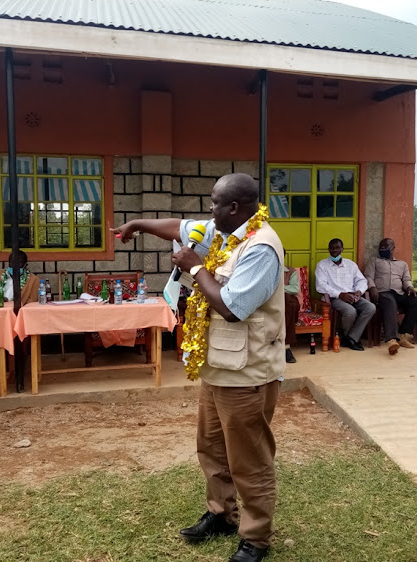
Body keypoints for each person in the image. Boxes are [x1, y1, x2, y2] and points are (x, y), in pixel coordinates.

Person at [113, 173, 283, 562]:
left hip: (249, 374)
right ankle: (221, 514)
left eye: (214, 203)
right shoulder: (224, 234)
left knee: (250, 460)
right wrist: (137, 224)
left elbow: (231, 307)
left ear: (234, 208)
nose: (208, 210)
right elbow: (178, 226)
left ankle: (255, 539)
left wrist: (193, 267)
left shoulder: (260, 248)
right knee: (211, 449)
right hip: (219, 368)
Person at [363, 237, 417, 355]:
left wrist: (410, 287)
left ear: (393, 248)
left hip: (399, 293)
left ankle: (402, 334)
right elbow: (368, 276)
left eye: (385, 247)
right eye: (381, 247)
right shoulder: (374, 261)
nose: (382, 249)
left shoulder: (402, 264)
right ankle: (391, 340)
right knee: (390, 302)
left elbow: (406, 279)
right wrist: (372, 287)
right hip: (382, 293)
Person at [315, 239, 375, 351]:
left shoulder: (350, 264)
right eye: (332, 248)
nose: (334, 250)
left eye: (337, 247)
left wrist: (359, 291)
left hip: (353, 296)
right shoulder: (322, 265)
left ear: (342, 249)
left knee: (370, 307)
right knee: (350, 311)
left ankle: (350, 338)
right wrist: (340, 294)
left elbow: (362, 280)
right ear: (328, 249)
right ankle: (352, 339)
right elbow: (320, 285)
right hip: (334, 298)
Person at [283, 253, 300, 363]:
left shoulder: (290, 271)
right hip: (269, 302)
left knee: (289, 302)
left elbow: (294, 289)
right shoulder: (264, 270)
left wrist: (278, 288)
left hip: (287, 303)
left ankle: (286, 347)